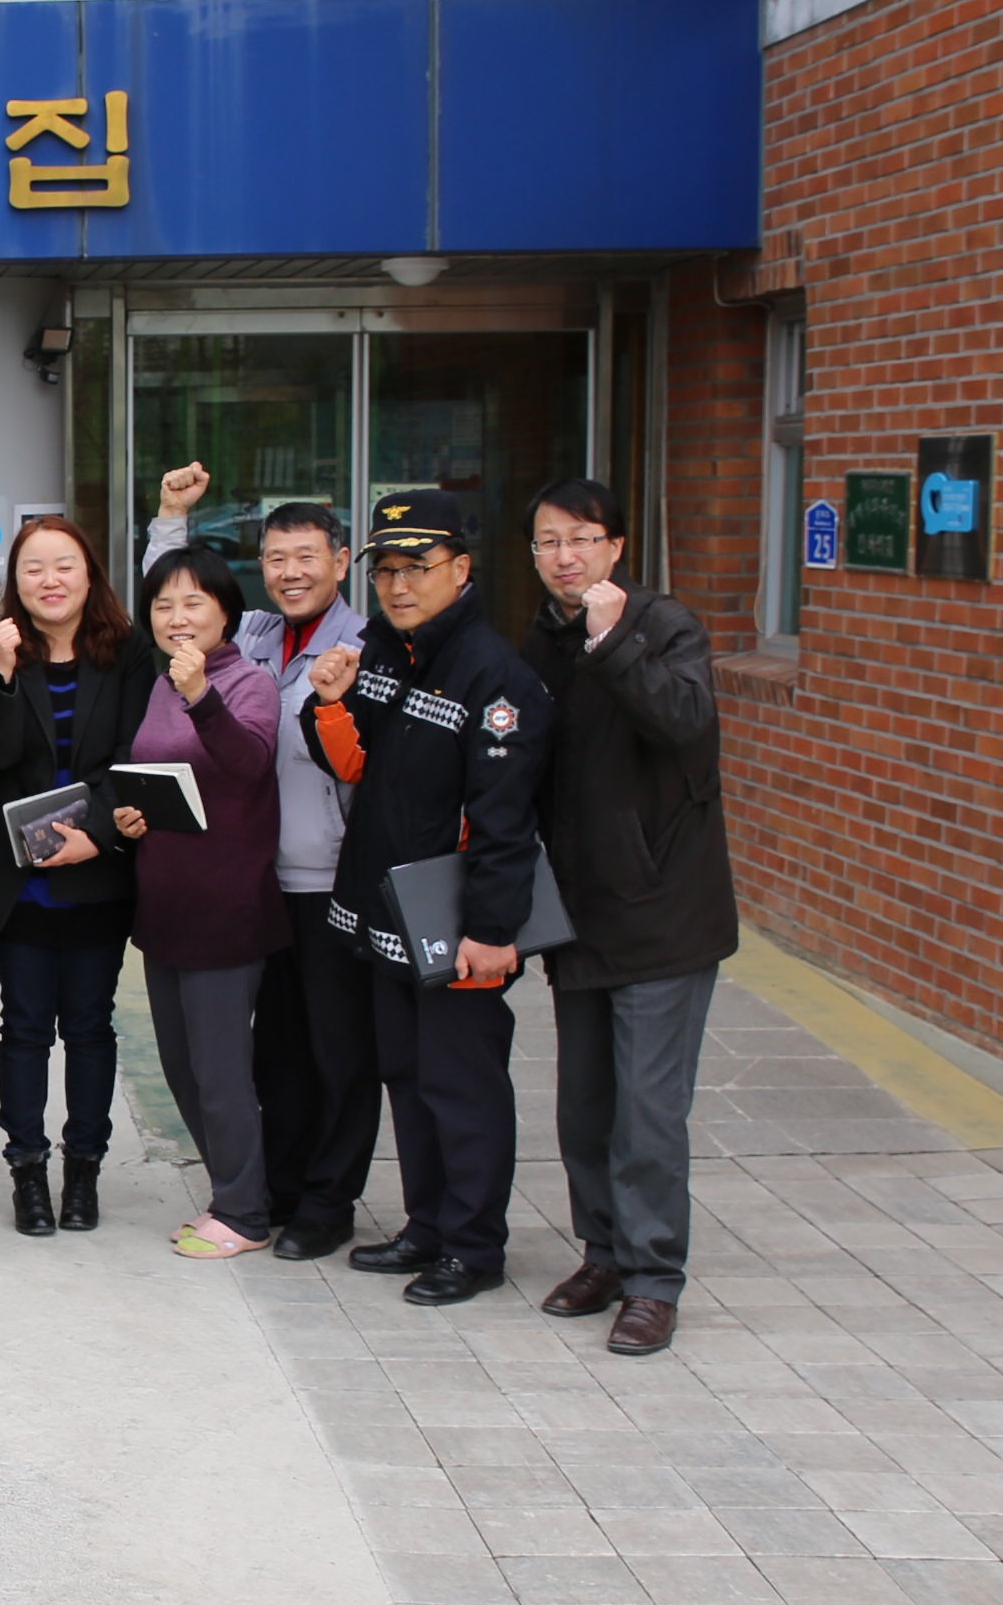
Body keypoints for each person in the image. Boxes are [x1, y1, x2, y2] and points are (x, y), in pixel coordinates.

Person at [304, 491, 553, 1307]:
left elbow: (505, 819)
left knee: (461, 1084)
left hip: (458, 924)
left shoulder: (494, 674)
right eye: (385, 570)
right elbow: (352, 765)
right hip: (389, 910)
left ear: (461, 568)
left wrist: (491, 929)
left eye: (416, 567)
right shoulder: (382, 650)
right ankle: (427, 1225)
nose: (398, 584)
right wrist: (329, 701)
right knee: (407, 1077)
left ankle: (473, 1244)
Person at [521, 478, 735, 1357]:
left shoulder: (662, 626)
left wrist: (612, 642)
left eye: (580, 538)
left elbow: (684, 721)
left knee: (647, 1111)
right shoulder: (543, 637)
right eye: (547, 541)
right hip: (580, 913)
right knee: (584, 1107)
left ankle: (652, 1280)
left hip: (661, 913)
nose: (563, 555)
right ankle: (603, 1253)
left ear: (614, 547)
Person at [150, 468, 380, 1262]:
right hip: (255, 880)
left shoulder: (360, 647)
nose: (289, 571)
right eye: (275, 557)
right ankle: (273, 1186)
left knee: (336, 1050)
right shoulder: (248, 635)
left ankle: (328, 1199)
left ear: (339, 560)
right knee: (274, 1053)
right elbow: (180, 599)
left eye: (305, 556)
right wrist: (169, 516)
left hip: (326, 879)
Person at [0, 517, 147, 1236]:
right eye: (33, 568)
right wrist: (1, 672)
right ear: (15, 581)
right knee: (23, 1028)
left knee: (89, 1026)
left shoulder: (127, 652)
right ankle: (27, 1170)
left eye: (64, 565)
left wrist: (95, 836)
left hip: (96, 872)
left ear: (89, 573)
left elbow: (135, 753)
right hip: (19, 880)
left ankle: (83, 1170)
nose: (49, 580)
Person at [114, 547, 291, 1260]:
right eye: (163, 605)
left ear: (226, 612)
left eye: (193, 602)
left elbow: (248, 765)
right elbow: (165, 777)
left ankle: (245, 1213)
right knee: (182, 1068)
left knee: (221, 1072)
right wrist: (132, 815)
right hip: (166, 901)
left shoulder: (249, 683)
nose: (177, 617)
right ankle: (230, 1194)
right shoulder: (163, 684)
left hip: (227, 903)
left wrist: (201, 696)